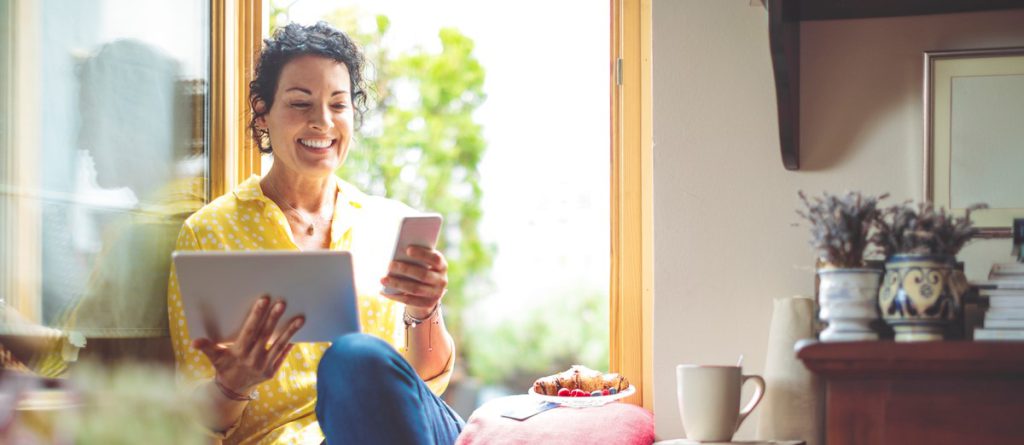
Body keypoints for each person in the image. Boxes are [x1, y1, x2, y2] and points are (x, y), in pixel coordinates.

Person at [166, 22, 463, 444]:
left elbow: (425, 384)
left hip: (407, 429)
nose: (322, 122)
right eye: (301, 103)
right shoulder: (211, 234)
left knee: (359, 360)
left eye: (338, 105)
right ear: (262, 112)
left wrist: (425, 310)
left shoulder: (389, 223)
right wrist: (233, 384)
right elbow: (194, 429)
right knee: (354, 355)